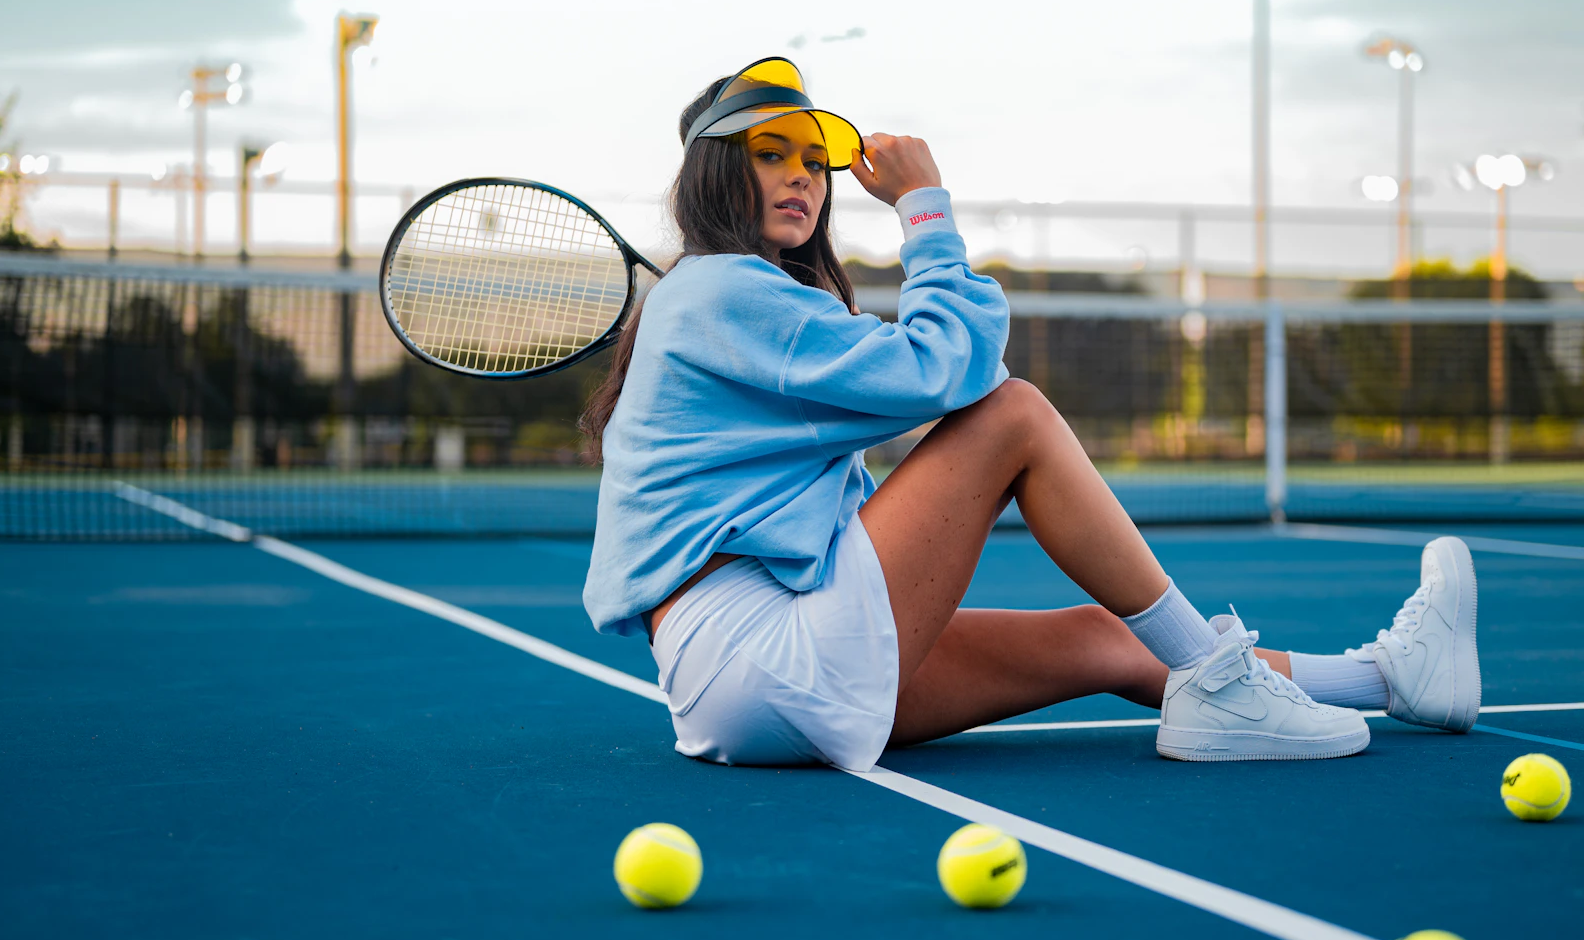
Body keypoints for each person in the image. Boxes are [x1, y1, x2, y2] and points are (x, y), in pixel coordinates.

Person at [581, 56, 1481, 772]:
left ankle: (1392, 677)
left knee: (1100, 638)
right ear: (713, 173)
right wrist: (926, 212)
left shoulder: (733, 299)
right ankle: (1219, 680)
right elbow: (962, 377)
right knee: (1017, 415)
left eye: (814, 160)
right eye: (769, 153)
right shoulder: (720, 292)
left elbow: (945, 377)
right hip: (764, 652)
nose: (802, 178)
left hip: (743, 682)